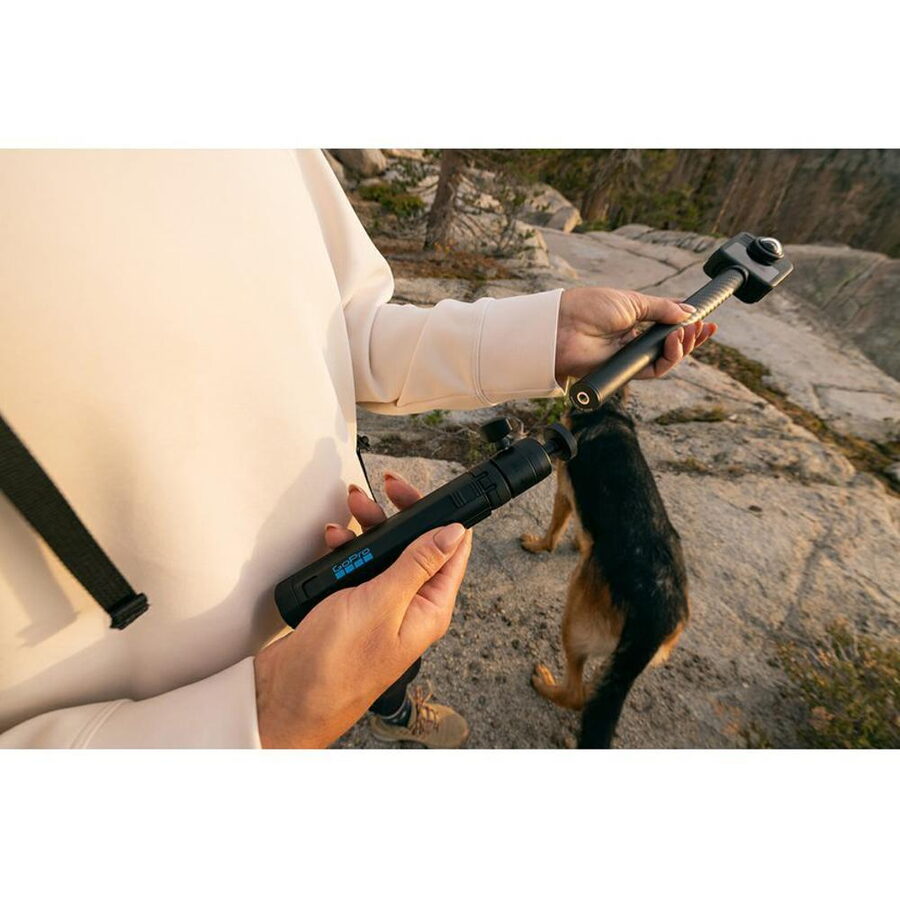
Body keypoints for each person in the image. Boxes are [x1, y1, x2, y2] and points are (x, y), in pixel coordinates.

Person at [0, 150, 714, 748]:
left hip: (360, 561)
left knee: (390, 666)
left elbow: (345, 327)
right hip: (179, 729)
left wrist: (540, 335)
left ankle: (392, 706)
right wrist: (264, 720)